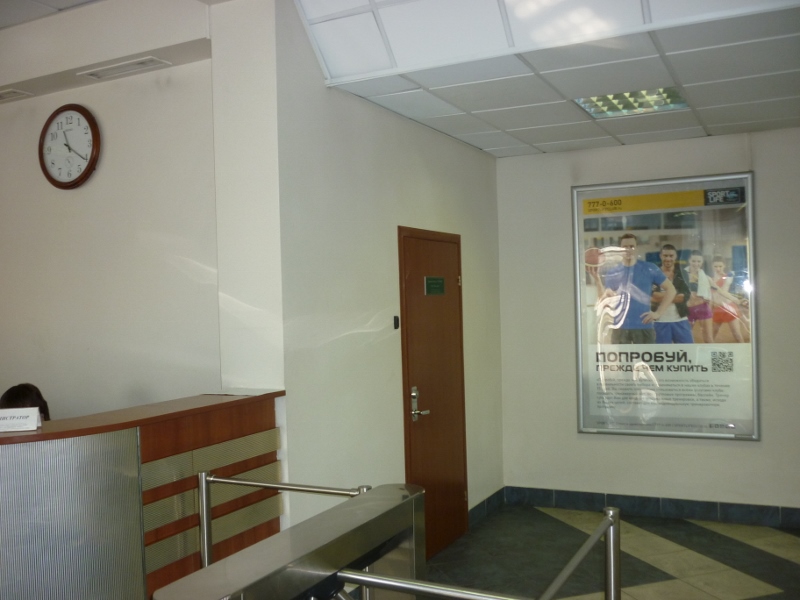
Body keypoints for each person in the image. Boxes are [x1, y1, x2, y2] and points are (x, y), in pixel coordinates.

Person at [591, 233, 676, 344]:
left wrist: (658, 313)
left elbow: (671, 290)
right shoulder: (613, 273)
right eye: (625, 247)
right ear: (620, 249)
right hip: (620, 328)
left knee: (646, 356)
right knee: (621, 356)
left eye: (631, 246)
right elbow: (605, 301)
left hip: (643, 327)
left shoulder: (649, 268)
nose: (628, 249)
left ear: (636, 248)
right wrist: (597, 280)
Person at [651, 244, 693, 344]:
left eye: (671, 256)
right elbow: (653, 297)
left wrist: (662, 296)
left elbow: (684, 297)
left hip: (680, 319)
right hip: (659, 321)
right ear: (660, 256)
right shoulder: (653, 273)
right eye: (665, 255)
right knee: (661, 353)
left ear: (676, 256)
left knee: (688, 351)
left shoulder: (682, 273)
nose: (668, 259)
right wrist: (675, 295)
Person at [711, 257, 745, 343]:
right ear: (712, 266)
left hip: (729, 307)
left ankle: (744, 350)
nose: (718, 269)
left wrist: (725, 276)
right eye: (715, 266)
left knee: (737, 335)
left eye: (720, 266)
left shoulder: (728, 277)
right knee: (712, 335)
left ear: (724, 266)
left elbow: (723, 290)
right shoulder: (709, 279)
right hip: (717, 309)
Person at [685, 250, 715, 343]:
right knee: (685, 338)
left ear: (702, 262)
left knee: (709, 339)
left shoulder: (705, 277)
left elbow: (718, 290)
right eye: (693, 261)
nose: (696, 264)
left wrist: (736, 300)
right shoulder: (682, 275)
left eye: (699, 261)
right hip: (687, 309)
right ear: (689, 261)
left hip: (702, 307)